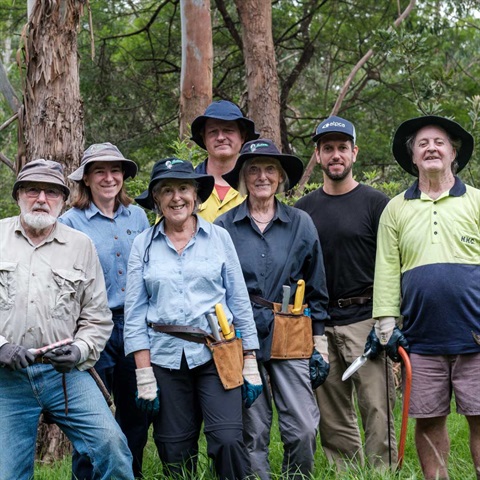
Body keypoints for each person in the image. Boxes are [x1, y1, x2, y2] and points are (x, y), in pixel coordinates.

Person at [124, 158, 262, 480]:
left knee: (228, 440)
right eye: (167, 190)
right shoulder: (142, 245)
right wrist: (144, 375)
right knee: (174, 449)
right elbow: (134, 315)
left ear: (196, 195)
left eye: (184, 188)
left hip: (218, 353)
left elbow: (239, 301)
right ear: (156, 199)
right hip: (164, 358)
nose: (177, 197)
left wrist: (250, 361)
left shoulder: (219, 238)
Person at [0, 159, 134, 480]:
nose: (42, 199)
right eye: (33, 190)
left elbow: (97, 318)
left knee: (112, 447)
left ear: (62, 200)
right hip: (7, 377)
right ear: (19, 195)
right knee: (8, 473)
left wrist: (79, 350)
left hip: (65, 374)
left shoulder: (80, 245)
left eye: (51, 192)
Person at [371, 115, 480, 480]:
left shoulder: (477, 202)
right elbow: (387, 270)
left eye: (439, 142)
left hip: (476, 336)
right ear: (414, 157)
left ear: (453, 152)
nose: (431, 148)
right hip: (419, 339)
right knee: (429, 418)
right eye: (422, 144)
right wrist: (386, 325)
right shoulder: (396, 209)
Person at [216, 139, 330, 480]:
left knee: (304, 428)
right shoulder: (224, 226)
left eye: (269, 169)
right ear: (243, 178)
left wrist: (319, 342)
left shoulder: (301, 223)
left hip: (290, 331)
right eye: (253, 169)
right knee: (254, 430)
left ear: (280, 177)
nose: (261, 176)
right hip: (241, 336)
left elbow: (317, 286)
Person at [295, 116, 397, 470]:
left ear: (354, 152)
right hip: (319, 325)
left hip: (366, 320)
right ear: (318, 156)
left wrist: (388, 320)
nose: (335, 155)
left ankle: (382, 474)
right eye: (327, 149)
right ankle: (348, 474)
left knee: (377, 408)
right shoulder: (303, 211)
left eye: (341, 147)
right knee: (332, 415)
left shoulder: (376, 204)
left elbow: (391, 266)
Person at [59, 143, 151, 479]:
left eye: (115, 170)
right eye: (100, 171)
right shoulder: (69, 222)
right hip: (91, 327)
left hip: (135, 327)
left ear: (124, 176)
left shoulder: (138, 217)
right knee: (92, 420)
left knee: (136, 416)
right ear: (86, 178)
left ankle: (131, 474)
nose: (109, 178)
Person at [190, 99, 259, 221]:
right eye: (213, 132)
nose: (221, 137)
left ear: (242, 136)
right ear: (204, 138)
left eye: (228, 130)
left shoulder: (259, 184)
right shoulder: (185, 183)